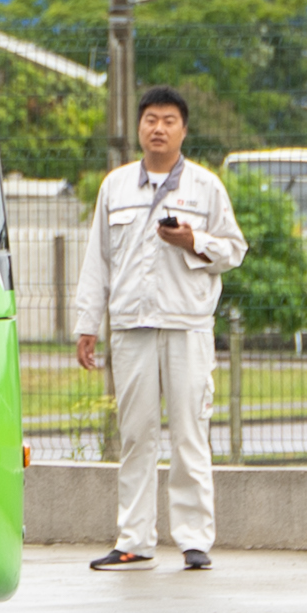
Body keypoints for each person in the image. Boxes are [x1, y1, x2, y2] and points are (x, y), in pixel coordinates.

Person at [72, 86, 247, 571]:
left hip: (187, 325)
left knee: (190, 432)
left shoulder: (206, 186)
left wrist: (194, 240)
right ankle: (134, 539)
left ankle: (194, 540)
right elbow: (97, 260)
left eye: (169, 120)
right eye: (151, 119)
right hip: (131, 325)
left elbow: (234, 250)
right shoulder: (115, 186)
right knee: (136, 434)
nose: (158, 128)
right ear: (139, 127)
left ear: (183, 130)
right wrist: (88, 323)